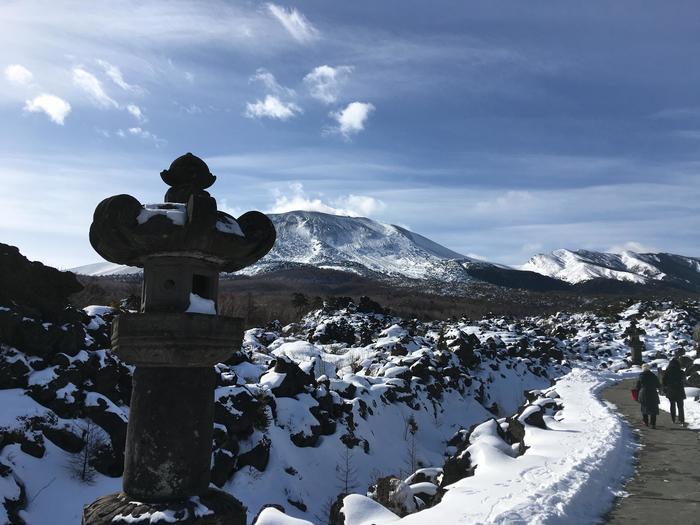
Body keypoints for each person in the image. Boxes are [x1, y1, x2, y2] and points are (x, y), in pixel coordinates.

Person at [662, 357, 686, 425]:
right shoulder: (680, 371)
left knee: (672, 405)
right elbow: (684, 379)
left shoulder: (667, 371)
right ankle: (682, 420)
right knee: (680, 406)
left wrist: (666, 387)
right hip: (679, 391)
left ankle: (673, 419)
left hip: (671, 391)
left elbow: (663, 381)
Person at [636, 363, 661, 428]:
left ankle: (645, 422)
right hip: (653, 393)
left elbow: (637, 387)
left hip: (643, 393)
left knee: (644, 408)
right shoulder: (653, 376)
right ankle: (653, 424)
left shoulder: (641, 376)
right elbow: (658, 385)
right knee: (653, 409)